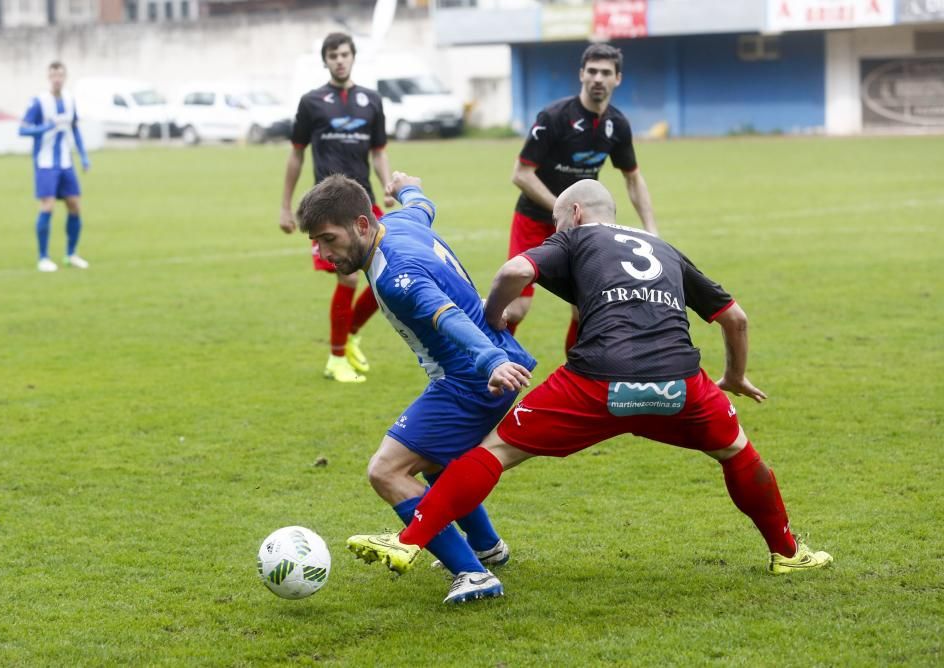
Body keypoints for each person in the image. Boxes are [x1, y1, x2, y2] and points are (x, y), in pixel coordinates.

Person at [347, 179, 833, 597]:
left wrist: (493, 320)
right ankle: (788, 553)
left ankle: (412, 539)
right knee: (738, 453)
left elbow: (515, 271)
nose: (558, 233)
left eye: (559, 223)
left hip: (596, 385)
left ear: (575, 214)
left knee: (493, 452)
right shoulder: (662, 248)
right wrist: (733, 377)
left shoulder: (576, 237)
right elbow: (736, 318)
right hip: (682, 386)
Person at [296, 171, 536, 604]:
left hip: (473, 376)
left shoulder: (395, 275)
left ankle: (473, 574)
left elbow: (447, 316)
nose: (323, 252)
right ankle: (486, 546)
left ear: (363, 225)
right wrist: (407, 187)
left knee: (386, 471)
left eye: (329, 239)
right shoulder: (403, 222)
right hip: (485, 365)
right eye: (316, 242)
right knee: (430, 456)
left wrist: (490, 362)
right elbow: (422, 205)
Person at [507, 43, 657, 352]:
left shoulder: (617, 125)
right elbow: (521, 174)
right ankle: (489, 370)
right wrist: (560, 209)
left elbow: (632, 177)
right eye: (592, 71)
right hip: (534, 221)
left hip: (582, 227)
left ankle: (578, 371)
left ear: (618, 78)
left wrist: (651, 228)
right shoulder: (553, 117)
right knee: (517, 307)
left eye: (605, 72)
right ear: (581, 75)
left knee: (584, 307)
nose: (598, 78)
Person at [280, 32, 393, 383]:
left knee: (386, 276)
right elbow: (297, 153)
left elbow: (379, 151)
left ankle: (351, 335)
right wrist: (285, 206)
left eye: (344, 54)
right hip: (328, 206)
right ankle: (336, 358)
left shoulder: (371, 100)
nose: (339, 60)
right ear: (325, 60)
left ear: (353, 57)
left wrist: (389, 185)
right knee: (347, 278)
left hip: (364, 203)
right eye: (333, 55)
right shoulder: (311, 102)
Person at [19, 61, 91, 273]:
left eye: (60, 75)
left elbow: (74, 129)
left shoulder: (70, 100)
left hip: (66, 162)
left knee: (74, 205)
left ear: (65, 77)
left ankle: (71, 254)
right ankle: (43, 257)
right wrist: (45, 127)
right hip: (45, 162)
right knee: (48, 205)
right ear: (48, 77)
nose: (57, 79)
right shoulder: (39, 102)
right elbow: (22, 130)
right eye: (53, 75)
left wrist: (84, 156)